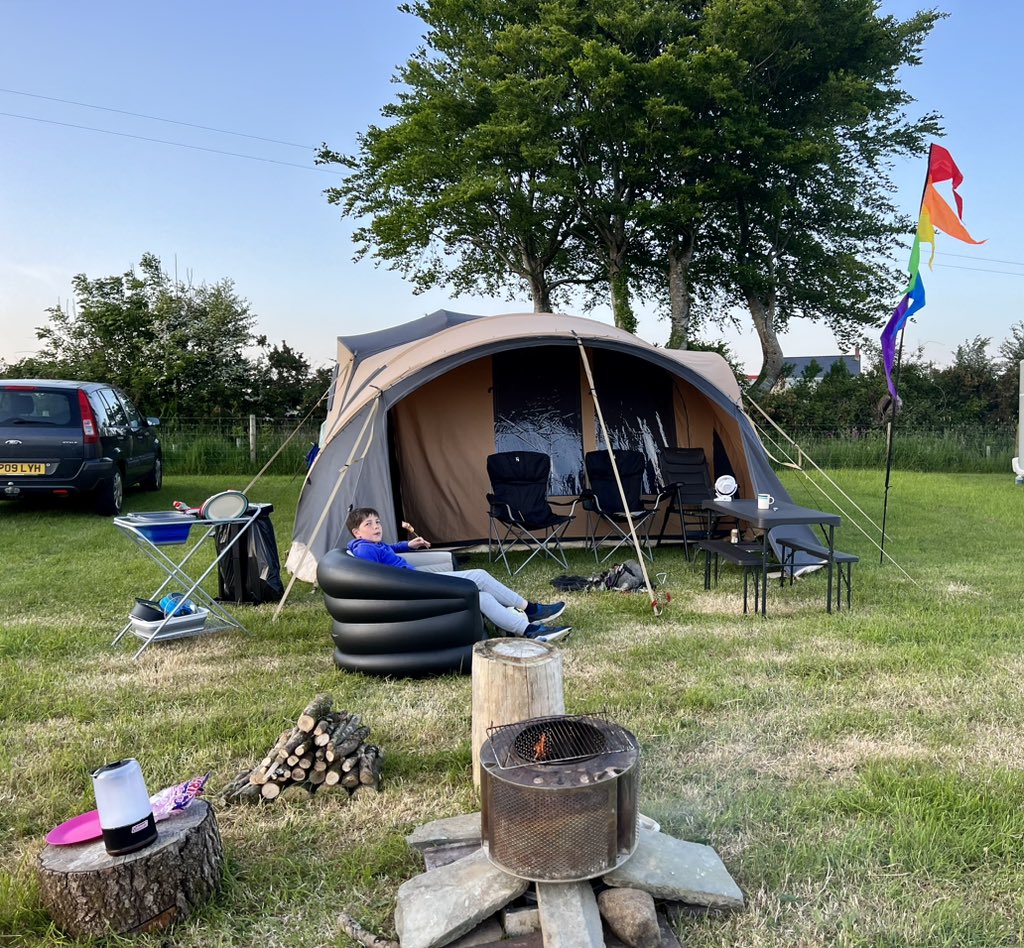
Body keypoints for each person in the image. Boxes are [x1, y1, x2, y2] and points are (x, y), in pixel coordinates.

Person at [345, 507, 572, 643]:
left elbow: (388, 550)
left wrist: (407, 545)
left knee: (482, 597)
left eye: (377, 521)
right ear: (357, 532)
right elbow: (375, 578)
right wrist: (406, 581)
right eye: (369, 524)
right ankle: (530, 610)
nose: (376, 526)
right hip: (416, 587)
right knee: (480, 576)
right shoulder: (364, 549)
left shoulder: (370, 545)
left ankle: (529, 630)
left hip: (416, 581)